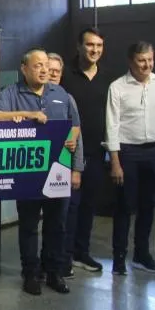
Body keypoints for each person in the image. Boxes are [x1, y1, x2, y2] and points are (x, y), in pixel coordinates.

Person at [0, 48, 80, 296]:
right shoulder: (11, 93)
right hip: (28, 172)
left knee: (56, 225)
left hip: (58, 170)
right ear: (24, 68)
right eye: (37, 65)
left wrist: (73, 146)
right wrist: (25, 115)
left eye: (46, 65)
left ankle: (54, 272)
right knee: (28, 225)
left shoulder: (60, 93)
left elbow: (75, 125)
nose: (43, 70)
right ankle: (30, 273)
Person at [106, 41, 155, 275]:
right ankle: (119, 258)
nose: (147, 65)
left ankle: (142, 255)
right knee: (124, 206)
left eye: (150, 59)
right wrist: (115, 162)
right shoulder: (117, 87)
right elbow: (112, 126)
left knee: (148, 206)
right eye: (141, 60)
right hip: (128, 153)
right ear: (131, 61)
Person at [58, 29, 106, 275]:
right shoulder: (65, 76)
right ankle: (63, 258)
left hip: (97, 152)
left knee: (88, 206)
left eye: (99, 45)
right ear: (79, 46)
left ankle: (81, 252)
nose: (94, 50)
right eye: (89, 45)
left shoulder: (108, 77)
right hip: (69, 153)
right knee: (69, 209)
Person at [47, 53, 86, 279]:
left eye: (57, 71)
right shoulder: (34, 99)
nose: (53, 74)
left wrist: (77, 169)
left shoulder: (67, 98)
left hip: (62, 171)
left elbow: (77, 136)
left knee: (60, 223)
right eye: (49, 69)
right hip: (38, 172)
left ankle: (60, 265)